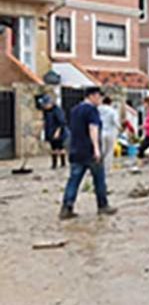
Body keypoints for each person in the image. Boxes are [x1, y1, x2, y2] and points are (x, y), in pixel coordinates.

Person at [59, 87, 117, 220]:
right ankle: (103, 206)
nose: (100, 99)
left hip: (75, 150)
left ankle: (67, 207)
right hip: (89, 151)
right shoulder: (91, 110)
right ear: (92, 96)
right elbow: (93, 128)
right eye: (99, 96)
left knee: (73, 180)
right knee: (99, 179)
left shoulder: (74, 110)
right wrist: (96, 149)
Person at [40, 95, 68, 169]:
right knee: (53, 148)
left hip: (58, 131)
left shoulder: (57, 110)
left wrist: (57, 132)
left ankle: (63, 163)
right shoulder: (46, 111)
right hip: (50, 131)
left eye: (45, 104)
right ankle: (54, 164)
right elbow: (45, 121)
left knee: (60, 147)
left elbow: (61, 122)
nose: (44, 106)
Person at [98, 97, 120, 173]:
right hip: (111, 132)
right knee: (109, 151)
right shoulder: (112, 111)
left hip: (100, 132)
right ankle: (107, 169)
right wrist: (120, 128)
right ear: (110, 103)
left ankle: (98, 167)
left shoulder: (97, 109)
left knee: (101, 150)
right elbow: (116, 122)